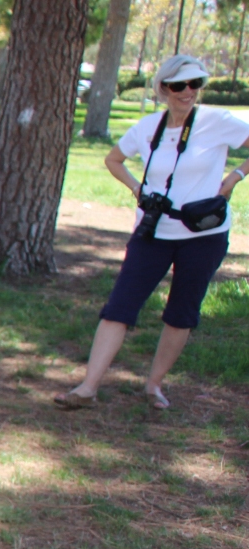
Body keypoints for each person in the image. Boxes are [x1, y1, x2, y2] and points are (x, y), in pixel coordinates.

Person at [54, 54, 248, 411]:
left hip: (203, 235)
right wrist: (137, 188)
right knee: (120, 306)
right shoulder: (146, 128)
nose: (188, 92)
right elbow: (113, 159)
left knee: (181, 311)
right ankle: (87, 386)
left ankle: (154, 385)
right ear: (163, 89)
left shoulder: (216, 121)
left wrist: (234, 177)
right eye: (179, 85)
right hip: (154, 231)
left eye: (195, 84)